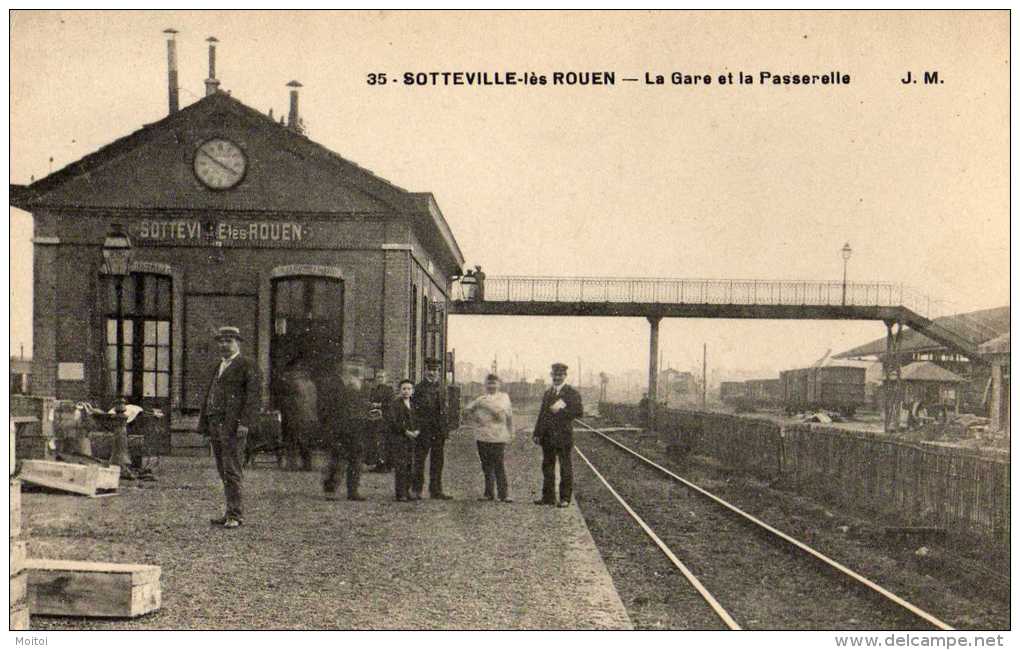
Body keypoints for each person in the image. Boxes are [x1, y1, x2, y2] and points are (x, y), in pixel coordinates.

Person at [198, 326, 259, 529]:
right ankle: (229, 511)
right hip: (215, 423)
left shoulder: (247, 365)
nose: (224, 344)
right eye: (221, 341)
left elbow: (253, 398)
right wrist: (205, 425)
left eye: (229, 341)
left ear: (238, 343)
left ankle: (235, 514)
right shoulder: (218, 365)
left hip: (233, 425)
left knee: (232, 469)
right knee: (223, 470)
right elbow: (209, 395)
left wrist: (245, 423)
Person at [532, 362, 583, 508]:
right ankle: (548, 497)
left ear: (565, 376)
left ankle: (565, 498)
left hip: (563, 437)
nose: (557, 377)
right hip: (547, 437)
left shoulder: (571, 393)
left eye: (560, 375)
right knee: (547, 466)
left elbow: (579, 412)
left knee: (565, 467)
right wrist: (537, 433)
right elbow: (542, 414)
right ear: (551, 375)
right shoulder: (548, 393)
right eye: (555, 375)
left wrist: (560, 411)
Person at [321, 356, 371, 501]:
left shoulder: (366, 386)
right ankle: (331, 490)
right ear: (346, 368)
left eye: (359, 365)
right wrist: (329, 426)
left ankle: (353, 490)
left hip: (358, 428)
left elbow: (366, 407)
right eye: (352, 365)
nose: (356, 369)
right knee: (337, 459)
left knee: (356, 460)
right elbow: (326, 407)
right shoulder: (335, 384)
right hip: (339, 427)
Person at [463, 374, 513, 503]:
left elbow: (502, 414)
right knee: (486, 465)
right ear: (485, 385)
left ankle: (504, 494)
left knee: (499, 465)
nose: (491, 386)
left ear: (499, 384)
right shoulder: (481, 398)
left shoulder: (504, 397)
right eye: (489, 383)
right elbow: (467, 409)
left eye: (494, 383)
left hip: (498, 436)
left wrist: (511, 431)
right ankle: (489, 493)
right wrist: (476, 417)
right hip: (483, 435)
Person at [411, 357, 452, 500]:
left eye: (435, 370)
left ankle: (436, 490)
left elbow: (445, 410)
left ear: (439, 372)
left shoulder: (442, 388)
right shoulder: (418, 389)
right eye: (430, 370)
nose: (432, 373)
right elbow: (413, 411)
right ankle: (416, 490)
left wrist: (445, 429)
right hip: (424, 430)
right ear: (425, 371)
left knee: (437, 461)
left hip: (438, 430)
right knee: (419, 460)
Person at [278, 359, 317, 471]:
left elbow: (292, 401)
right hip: (309, 416)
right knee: (304, 441)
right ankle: (307, 464)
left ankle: (292, 465)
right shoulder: (310, 384)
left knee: (293, 440)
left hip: (297, 415)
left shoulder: (295, 383)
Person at [387, 379, 419, 501]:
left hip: (412, 439)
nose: (406, 391)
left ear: (413, 391)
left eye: (409, 389)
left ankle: (407, 490)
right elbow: (393, 422)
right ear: (400, 390)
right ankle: (400, 493)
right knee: (401, 465)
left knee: (410, 465)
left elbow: (419, 420)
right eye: (404, 389)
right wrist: (406, 431)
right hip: (400, 438)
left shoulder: (414, 404)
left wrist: (417, 431)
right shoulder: (395, 405)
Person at [368, 371, 395, 472]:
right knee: (377, 441)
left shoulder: (389, 390)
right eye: (378, 377)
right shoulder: (374, 390)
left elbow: (391, 404)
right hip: (375, 418)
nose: (380, 379)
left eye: (382, 377)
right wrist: (371, 405)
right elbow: (370, 400)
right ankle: (379, 463)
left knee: (384, 441)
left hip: (386, 419)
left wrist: (379, 405)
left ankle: (386, 465)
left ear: (386, 379)